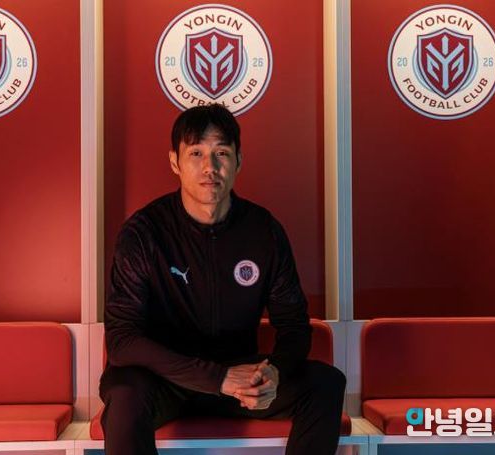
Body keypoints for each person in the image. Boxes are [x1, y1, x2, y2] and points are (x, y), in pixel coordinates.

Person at [100, 104, 346, 455]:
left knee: (326, 383)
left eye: (222, 153)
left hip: (239, 380)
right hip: (164, 381)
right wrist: (215, 378)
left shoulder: (263, 231)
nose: (210, 167)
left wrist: (274, 372)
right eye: (196, 153)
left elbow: (294, 326)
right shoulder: (144, 233)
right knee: (125, 394)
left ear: (238, 161)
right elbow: (122, 340)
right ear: (174, 162)